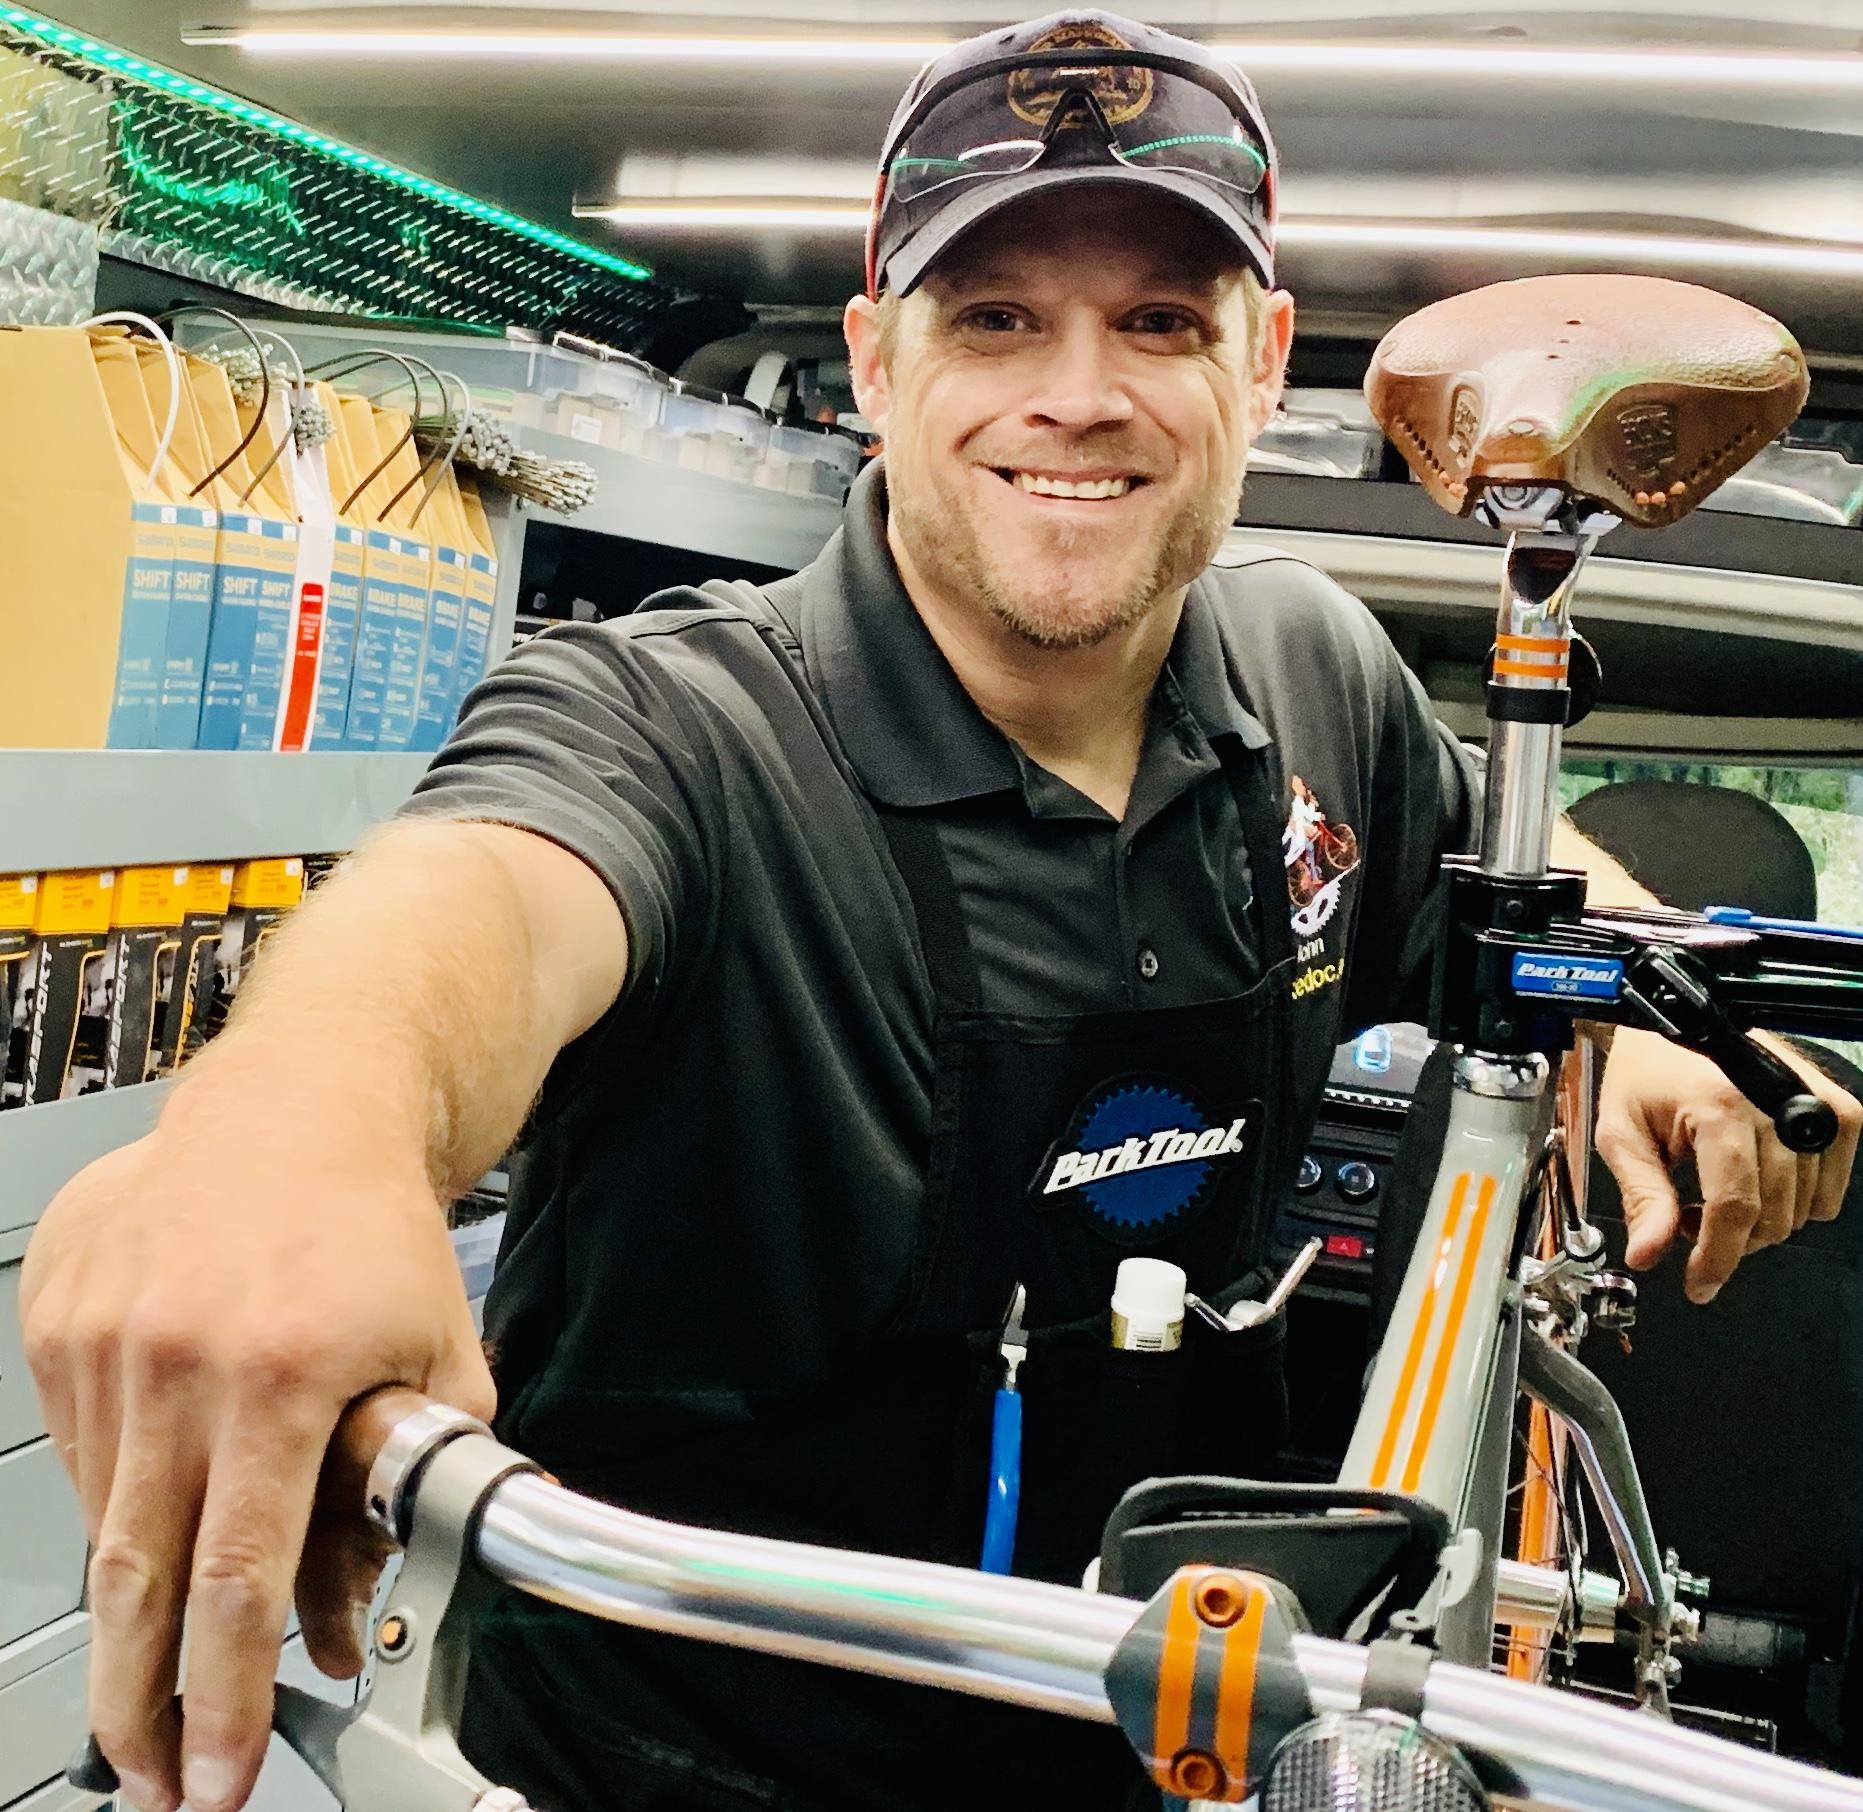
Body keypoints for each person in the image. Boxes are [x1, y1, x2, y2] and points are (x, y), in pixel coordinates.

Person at [22, 12, 1860, 1812]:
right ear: (878, 368)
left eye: (1161, 321)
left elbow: (1497, 877)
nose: (1080, 390)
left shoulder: (1319, 674)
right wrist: (287, 1145)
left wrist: (1626, 997)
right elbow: (469, 907)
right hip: (679, 1755)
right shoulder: (685, 724)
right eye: (996, 317)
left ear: (1262, 358)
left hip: (1165, 1738)